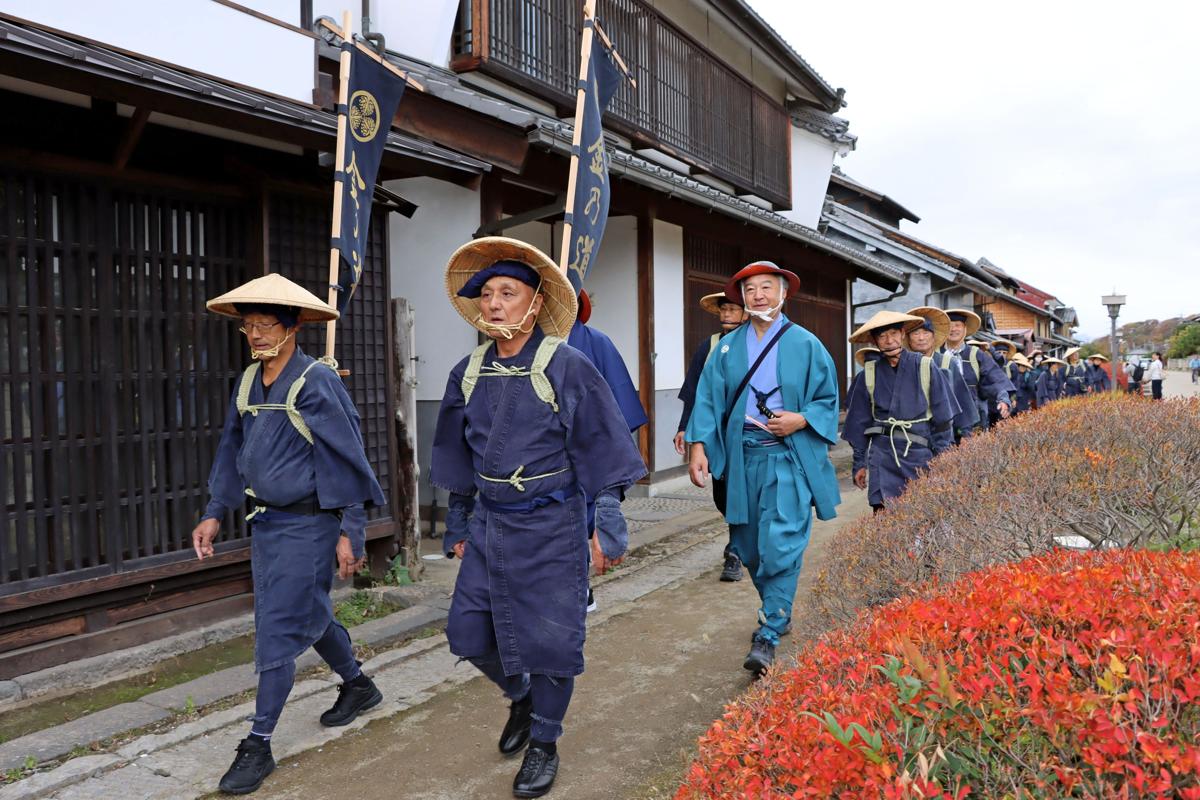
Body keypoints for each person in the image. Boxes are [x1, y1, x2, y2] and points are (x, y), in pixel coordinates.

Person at [432, 237, 646, 798]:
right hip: (490, 524)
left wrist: (604, 526)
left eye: (509, 293)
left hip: (554, 523)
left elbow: (600, 448)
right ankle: (523, 696)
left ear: (534, 304)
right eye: (487, 295)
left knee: (552, 640)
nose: (495, 303)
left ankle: (544, 742)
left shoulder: (567, 365)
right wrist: (458, 524)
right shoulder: (467, 372)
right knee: (467, 632)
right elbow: (459, 457)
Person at [192, 274, 387, 795]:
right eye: (248, 326)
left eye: (266, 325)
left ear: (293, 326)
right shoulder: (247, 382)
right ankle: (360, 686)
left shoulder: (316, 381)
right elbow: (232, 451)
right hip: (266, 524)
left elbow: (346, 459)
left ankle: (259, 742)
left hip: (310, 525)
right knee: (309, 612)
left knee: (278, 624)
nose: (255, 335)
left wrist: (352, 530)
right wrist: (216, 509)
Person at [685, 261, 841, 677]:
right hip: (742, 457)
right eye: (750, 288)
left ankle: (769, 628)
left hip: (787, 456)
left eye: (766, 287)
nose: (758, 295)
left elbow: (827, 399)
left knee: (783, 540)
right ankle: (779, 607)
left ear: (783, 293)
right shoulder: (725, 348)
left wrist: (800, 419)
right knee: (748, 544)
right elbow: (707, 399)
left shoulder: (806, 344)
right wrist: (699, 446)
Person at [566, 289, 648, 610]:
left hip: (585, 458)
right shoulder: (521, 348)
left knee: (574, 524)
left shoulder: (595, 343)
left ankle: (578, 588)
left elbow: (620, 413)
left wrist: (609, 498)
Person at [843, 310, 956, 513]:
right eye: (882, 336)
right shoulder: (867, 375)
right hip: (882, 456)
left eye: (893, 334)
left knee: (923, 516)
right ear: (875, 341)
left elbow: (943, 421)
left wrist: (943, 460)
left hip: (920, 454)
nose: (889, 341)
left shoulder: (926, 367)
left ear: (903, 334)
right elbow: (859, 424)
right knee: (884, 519)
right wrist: (859, 463)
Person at [675, 292, 748, 582]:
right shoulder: (711, 345)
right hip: (719, 432)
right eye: (724, 310)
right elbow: (695, 391)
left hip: (752, 432)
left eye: (733, 309)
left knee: (748, 492)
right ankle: (740, 541)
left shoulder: (757, 344)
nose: (727, 315)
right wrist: (685, 428)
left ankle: (736, 551)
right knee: (724, 493)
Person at [905, 306, 978, 437]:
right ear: (908, 340)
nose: (921, 338)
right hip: (911, 434)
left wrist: (965, 433)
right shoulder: (903, 365)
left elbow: (961, 398)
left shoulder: (947, 363)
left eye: (926, 333)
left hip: (943, 433)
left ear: (934, 337)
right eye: (916, 333)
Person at [939, 309, 1014, 431]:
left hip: (972, 418)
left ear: (965, 329)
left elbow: (995, 378)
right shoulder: (934, 354)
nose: (953, 329)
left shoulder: (976, 355)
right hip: (942, 418)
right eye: (949, 326)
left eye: (957, 325)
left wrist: (1003, 399)